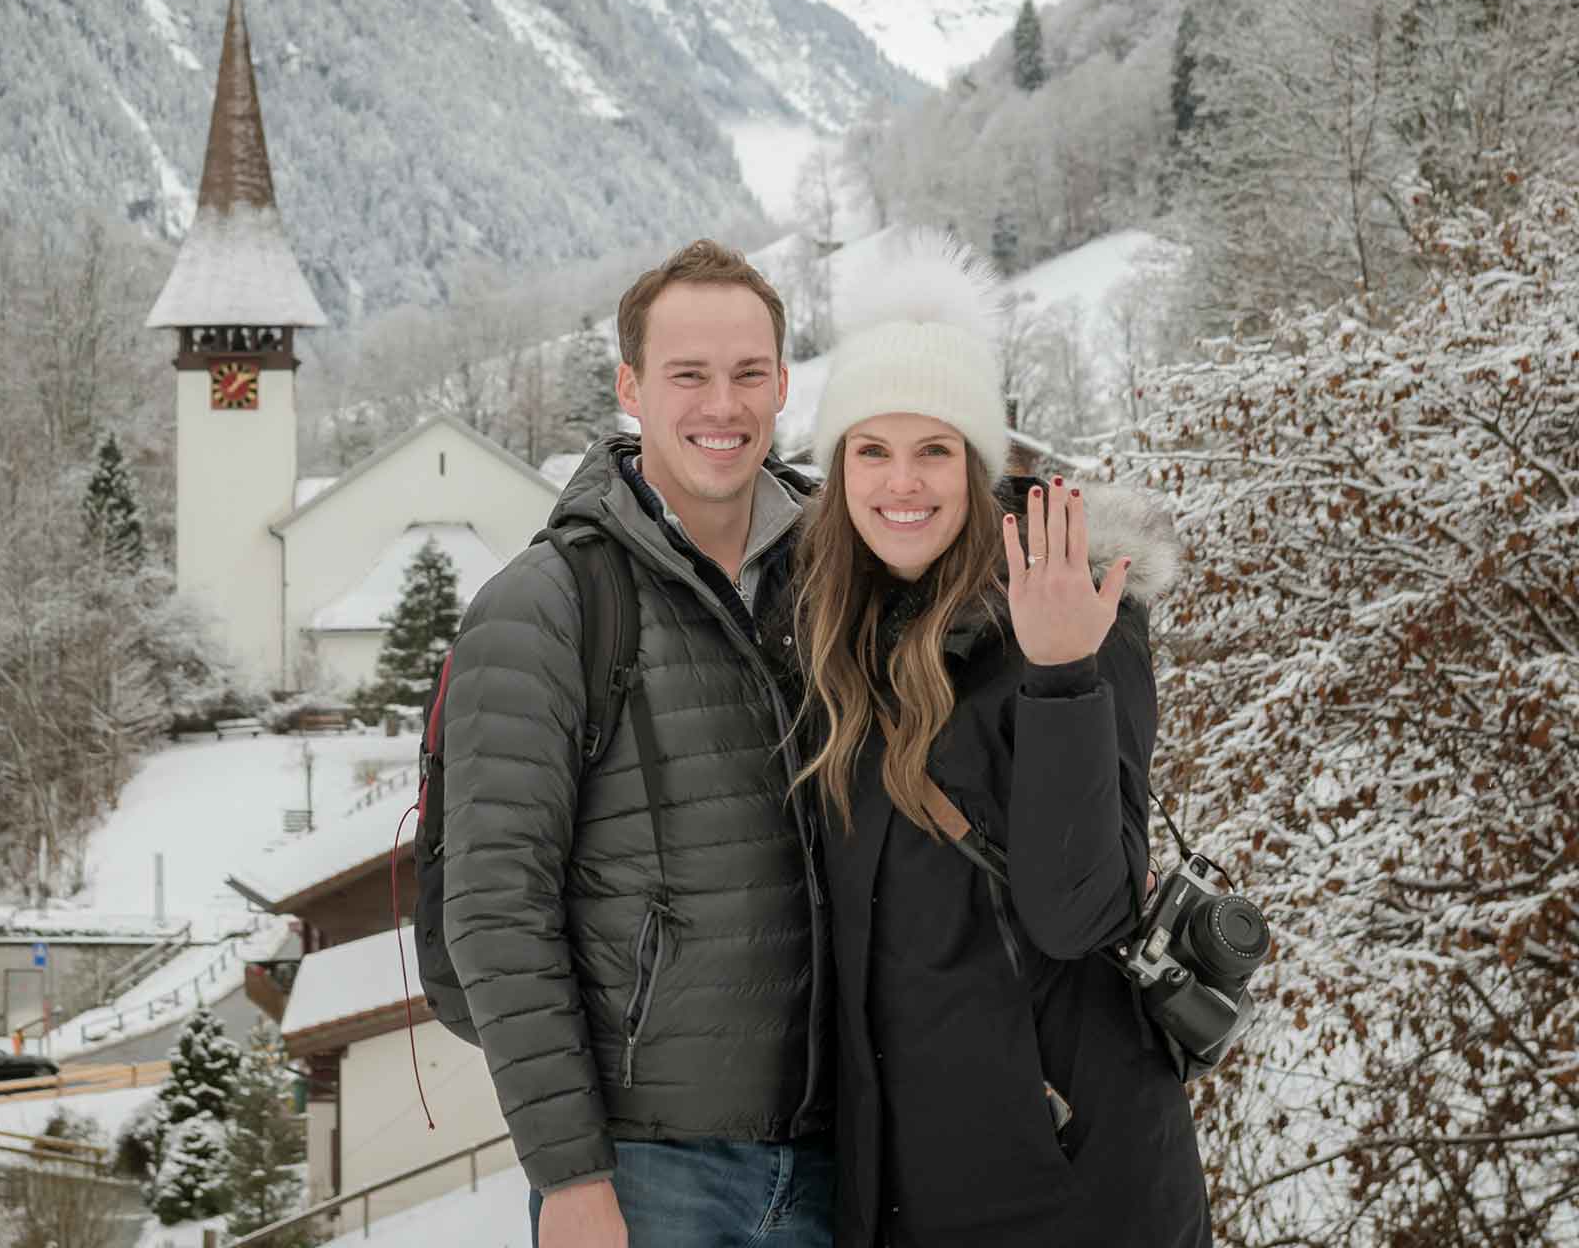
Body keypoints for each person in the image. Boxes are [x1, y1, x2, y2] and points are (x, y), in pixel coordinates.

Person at [791, 238, 1206, 1247]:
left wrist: (1064, 675)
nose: (903, 483)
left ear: (980, 464)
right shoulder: (833, 640)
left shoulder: (1072, 607)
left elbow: (1081, 913)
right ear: (839, 466)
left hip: (1072, 1180)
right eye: (872, 450)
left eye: (935, 450)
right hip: (901, 1186)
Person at [441, 239, 834, 1248]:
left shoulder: (839, 580)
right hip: (645, 1173)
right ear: (631, 386)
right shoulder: (547, 607)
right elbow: (496, 907)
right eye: (688, 376)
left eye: (749, 375)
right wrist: (569, 1174)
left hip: (843, 1156)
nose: (723, 406)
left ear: (783, 384)